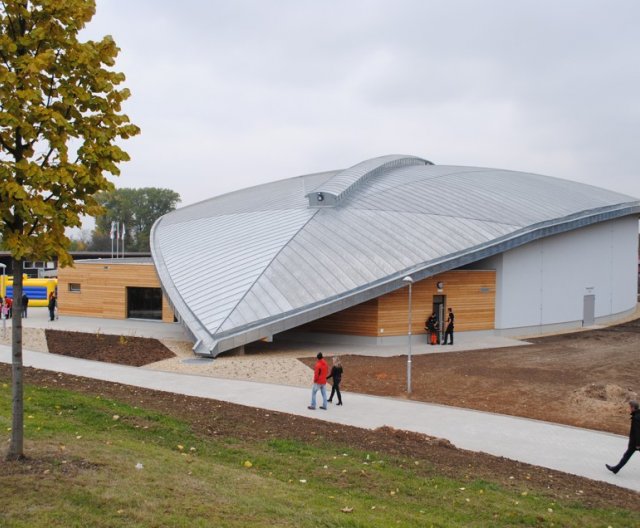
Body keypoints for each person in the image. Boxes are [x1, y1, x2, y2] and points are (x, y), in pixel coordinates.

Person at [606, 400, 640, 474]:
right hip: (636, 442)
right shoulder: (637, 415)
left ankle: (616, 469)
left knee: (626, 456)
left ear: (633, 408)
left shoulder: (636, 418)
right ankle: (616, 469)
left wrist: (637, 444)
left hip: (635, 443)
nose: (629, 409)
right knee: (626, 455)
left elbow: (637, 432)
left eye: (630, 407)